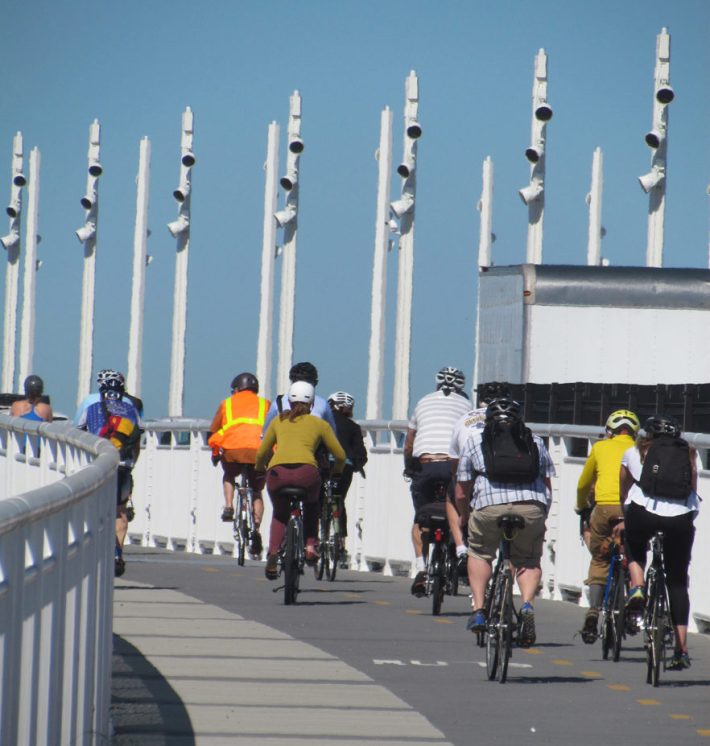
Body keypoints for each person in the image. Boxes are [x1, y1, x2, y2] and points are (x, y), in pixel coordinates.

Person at [455, 398, 555, 647]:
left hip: (489, 508)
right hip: (531, 508)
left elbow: (460, 490)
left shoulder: (475, 441)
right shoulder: (536, 441)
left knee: (479, 553)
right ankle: (528, 605)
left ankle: (479, 609)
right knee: (529, 560)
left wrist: (465, 514)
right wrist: (541, 513)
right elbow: (547, 485)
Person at [620, 414, 700, 671]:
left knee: (633, 543)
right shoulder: (688, 453)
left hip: (644, 511)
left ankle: (638, 586)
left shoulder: (634, 451)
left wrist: (625, 509)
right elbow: (693, 487)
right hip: (680, 517)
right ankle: (681, 649)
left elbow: (623, 484)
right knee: (677, 581)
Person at [255, 381, 346, 580]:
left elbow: (262, 451)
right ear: (312, 404)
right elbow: (339, 454)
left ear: (288, 400)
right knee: (312, 505)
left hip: (278, 474)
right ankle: (310, 546)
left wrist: (259, 467)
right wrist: (337, 471)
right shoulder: (319, 424)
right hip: (307, 473)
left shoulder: (278, 421)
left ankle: (272, 554)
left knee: (280, 513)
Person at [574, 409, 640, 643]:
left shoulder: (600, 448)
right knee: (635, 554)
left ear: (610, 431)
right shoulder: (641, 448)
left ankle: (593, 610)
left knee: (600, 558)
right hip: (632, 509)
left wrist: (581, 506)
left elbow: (584, 483)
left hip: (604, 509)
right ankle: (635, 600)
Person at [403, 367, 470, 596]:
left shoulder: (422, 402)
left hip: (426, 464)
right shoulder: (466, 407)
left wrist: (409, 466)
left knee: (420, 520)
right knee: (460, 510)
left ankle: (421, 570)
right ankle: (459, 547)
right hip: (452, 466)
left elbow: (409, 443)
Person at [77, 370, 142, 577]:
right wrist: (132, 463)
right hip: (123, 464)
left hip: (98, 466)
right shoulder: (131, 408)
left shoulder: (93, 405)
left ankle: (92, 552)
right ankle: (117, 554)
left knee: (91, 508)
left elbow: (77, 432)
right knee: (120, 511)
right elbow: (137, 440)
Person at [448, 382, 512, 576]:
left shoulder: (465, 418)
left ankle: (461, 548)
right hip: (503, 476)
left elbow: (454, 460)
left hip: (471, 470)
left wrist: (458, 479)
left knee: (452, 497)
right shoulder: (512, 418)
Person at [208, 373, 270, 556]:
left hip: (233, 450)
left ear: (236, 389)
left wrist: (215, 451)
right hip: (258, 452)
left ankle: (228, 506)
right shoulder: (265, 404)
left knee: (229, 474)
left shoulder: (226, 403)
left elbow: (214, 429)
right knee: (257, 490)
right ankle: (256, 529)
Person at [326, 391, 368, 558]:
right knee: (338, 500)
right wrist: (358, 464)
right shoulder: (354, 427)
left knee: (319, 500)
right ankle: (341, 542)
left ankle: (313, 540)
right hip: (346, 467)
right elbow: (361, 454)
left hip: (325, 465)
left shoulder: (323, 423)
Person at [261, 361, 336, 435]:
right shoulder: (322, 404)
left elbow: (265, 434)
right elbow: (332, 434)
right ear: (315, 383)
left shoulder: (278, 404)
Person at [73, 369, 144, 425]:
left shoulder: (89, 400)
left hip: (95, 437)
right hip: (123, 437)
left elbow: (77, 423)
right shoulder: (129, 401)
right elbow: (138, 425)